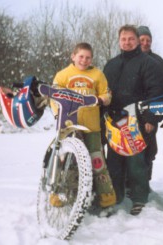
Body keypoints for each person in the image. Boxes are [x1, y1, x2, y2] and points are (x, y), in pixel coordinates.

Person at [103, 25, 163, 215]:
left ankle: (139, 198)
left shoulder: (148, 63)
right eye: (124, 39)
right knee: (114, 160)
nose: (127, 42)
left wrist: (151, 119)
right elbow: (104, 92)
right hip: (114, 120)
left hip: (137, 119)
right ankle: (116, 196)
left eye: (131, 39)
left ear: (137, 40)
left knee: (136, 162)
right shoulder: (111, 64)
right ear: (119, 40)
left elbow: (156, 92)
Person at [50, 42, 116, 212]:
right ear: (73, 56)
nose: (84, 60)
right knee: (66, 159)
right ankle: (59, 193)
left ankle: (106, 196)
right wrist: (58, 114)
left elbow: (107, 93)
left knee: (97, 161)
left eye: (88, 57)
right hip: (69, 126)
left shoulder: (97, 74)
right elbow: (54, 97)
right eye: (81, 56)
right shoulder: (63, 75)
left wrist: (101, 99)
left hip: (92, 127)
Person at [137, 25, 163, 181]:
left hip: (150, 114)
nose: (145, 43)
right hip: (130, 114)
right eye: (142, 39)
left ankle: (145, 184)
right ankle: (129, 187)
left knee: (149, 150)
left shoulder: (157, 61)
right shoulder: (130, 60)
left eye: (148, 40)